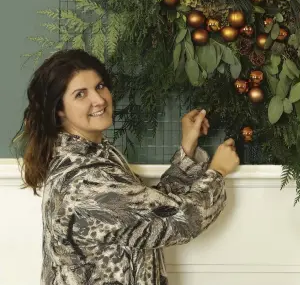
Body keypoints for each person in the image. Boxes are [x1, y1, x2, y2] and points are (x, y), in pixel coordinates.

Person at [12, 49, 240, 285]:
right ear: (59, 110)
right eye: (81, 94)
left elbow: (148, 211)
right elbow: (183, 220)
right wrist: (218, 172)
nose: (99, 100)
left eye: (100, 86)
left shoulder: (94, 156)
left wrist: (187, 151)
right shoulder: (86, 181)